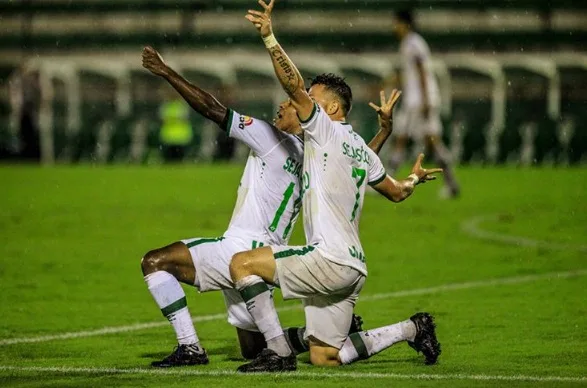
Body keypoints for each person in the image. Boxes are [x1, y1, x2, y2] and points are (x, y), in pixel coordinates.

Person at [140, 46, 394, 367]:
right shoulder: (319, 159)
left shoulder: (268, 136)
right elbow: (360, 162)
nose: (283, 105)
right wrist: (383, 133)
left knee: (155, 262)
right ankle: (306, 337)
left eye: (290, 104)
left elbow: (212, 109)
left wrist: (166, 72)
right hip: (268, 257)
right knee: (251, 348)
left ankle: (190, 347)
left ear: (304, 116)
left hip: (239, 252)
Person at [228, 0, 442, 373]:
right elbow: (396, 191)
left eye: (313, 97)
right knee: (325, 357)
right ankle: (411, 328)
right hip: (354, 267)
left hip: (327, 258)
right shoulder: (358, 145)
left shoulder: (322, 129)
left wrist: (270, 39)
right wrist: (412, 176)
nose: (304, 100)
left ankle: (277, 352)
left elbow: (292, 85)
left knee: (241, 263)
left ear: (329, 109)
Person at [389, 10, 460, 198]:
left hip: (419, 100)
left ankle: (388, 182)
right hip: (417, 99)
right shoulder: (409, 43)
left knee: (403, 138)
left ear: (406, 24)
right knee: (430, 142)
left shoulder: (413, 43)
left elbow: (421, 72)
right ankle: (451, 184)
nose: (394, 27)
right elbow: (410, 73)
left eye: (397, 23)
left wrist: (426, 100)